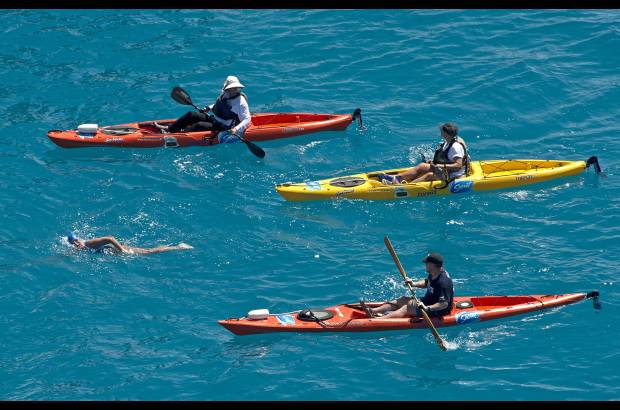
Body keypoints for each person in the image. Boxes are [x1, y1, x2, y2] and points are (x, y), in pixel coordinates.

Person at [362, 252, 454, 319]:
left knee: (406, 308)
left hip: (438, 310)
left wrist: (427, 308)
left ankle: (379, 319)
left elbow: (444, 304)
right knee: (402, 300)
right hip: (428, 301)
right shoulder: (434, 272)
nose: (425, 265)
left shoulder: (444, 282)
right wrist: (414, 284)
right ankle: (372, 311)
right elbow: (427, 282)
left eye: (427, 263)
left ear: (432, 265)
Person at [154, 75, 251, 137]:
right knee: (191, 114)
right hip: (214, 119)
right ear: (227, 88)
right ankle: (171, 129)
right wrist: (207, 108)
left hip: (224, 127)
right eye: (231, 88)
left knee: (199, 125)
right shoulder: (225, 94)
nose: (233, 90)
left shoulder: (240, 102)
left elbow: (247, 119)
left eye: (235, 88)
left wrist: (235, 129)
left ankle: (176, 134)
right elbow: (219, 105)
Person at [377, 123, 470, 184]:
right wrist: (434, 162)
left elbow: (458, 165)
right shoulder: (448, 141)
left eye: (442, 131)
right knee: (422, 166)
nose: (440, 133)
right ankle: (398, 178)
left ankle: (406, 187)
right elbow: (446, 158)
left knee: (429, 175)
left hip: (453, 175)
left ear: (446, 134)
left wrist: (440, 166)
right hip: (445, 170)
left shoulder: (455, 147)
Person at [66, 231, 193, 255]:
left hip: (121, 251)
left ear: (80, 238)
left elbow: (110, 238)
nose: (76, 244)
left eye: (76, 240)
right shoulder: (80, 248)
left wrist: (121, 250)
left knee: (149, 251)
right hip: (116, 253)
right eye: (73, 243)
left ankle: (179, 247)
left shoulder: (89, 243)